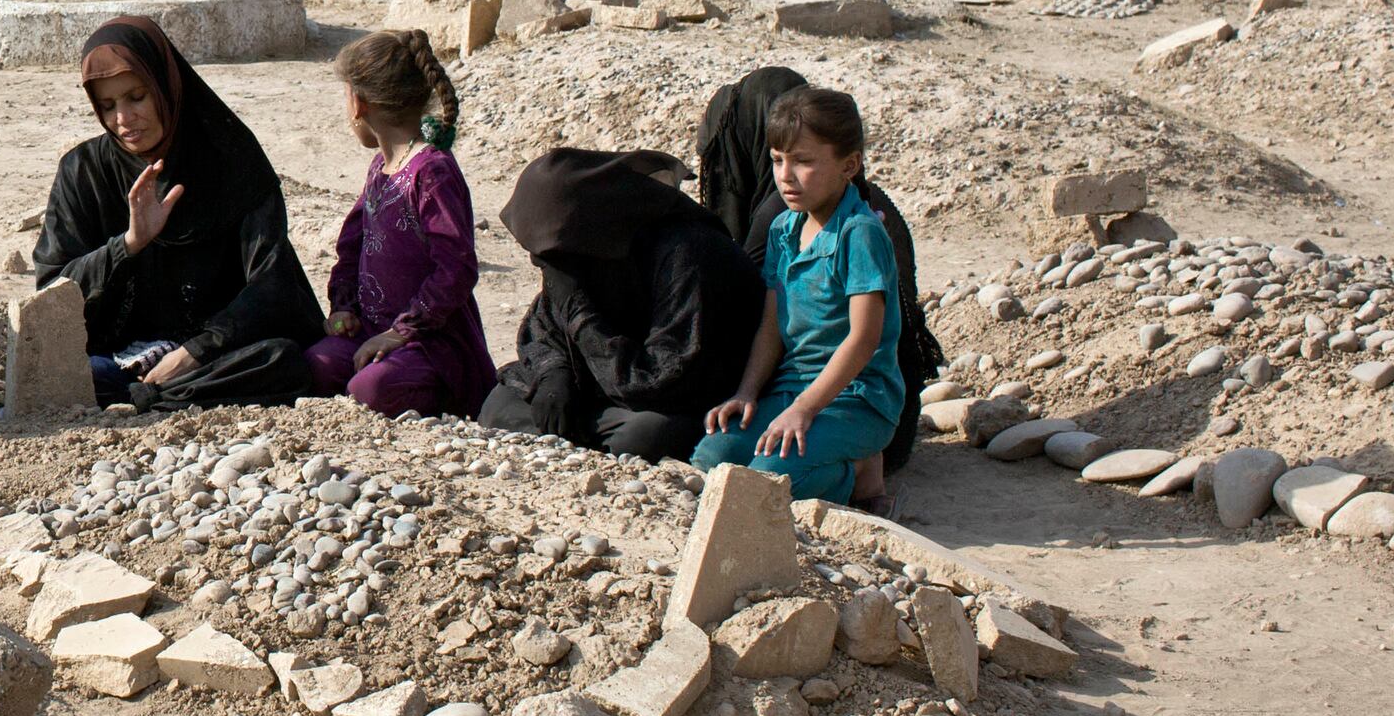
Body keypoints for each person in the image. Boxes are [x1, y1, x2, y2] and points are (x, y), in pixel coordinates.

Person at [36, 15, 323, 407]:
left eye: (136, 97)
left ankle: (149, 396)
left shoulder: (232, 160)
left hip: (217, 353)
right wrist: (129, 244)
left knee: (283, 360)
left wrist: (194, 352)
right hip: (118, 358)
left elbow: (272, 284)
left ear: (165, 87)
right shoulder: (83, 171)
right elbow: (53, 291)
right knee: (83, 375)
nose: (123, 120)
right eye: (107, 105)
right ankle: (152, 393)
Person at [694, 66, 942, 480]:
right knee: (711, 457)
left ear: (849, 166)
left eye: (803, 162)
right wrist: (748, 393)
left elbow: (864, 340)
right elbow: (772, 326)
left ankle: (861, 471)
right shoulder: (783, 229)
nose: (785, 176)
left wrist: (804, 410)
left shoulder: (860, 233)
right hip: (794, 387)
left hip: (857, 398)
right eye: (777, 160)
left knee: (770, 479)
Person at [481, 148, 766, 457]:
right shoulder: (581, 251)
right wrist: (553, 375)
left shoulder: (689, 253)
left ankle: (575, 438)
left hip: (667, 399)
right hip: (606, 392)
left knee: (649, 434)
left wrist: (579, 314)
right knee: (498, 405)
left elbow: (661, 381)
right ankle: (576, 435)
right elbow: (542, 328)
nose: (542, 262)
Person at [303, 29, 494, 418]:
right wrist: (343, 306)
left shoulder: (432, 172)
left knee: (370, 387)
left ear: (358, 103)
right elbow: (352, 244)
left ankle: (442, 396)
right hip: (372, 329)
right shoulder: (380, 167)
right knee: (316, 364)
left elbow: (456, 268)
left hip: (430, 341)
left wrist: (401, 332)